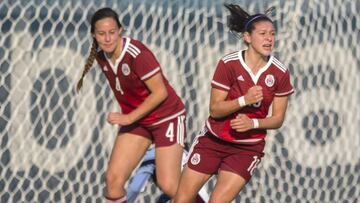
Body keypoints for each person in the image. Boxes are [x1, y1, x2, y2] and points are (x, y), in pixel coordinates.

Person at [173, 3, 294, 203]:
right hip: (213, 141)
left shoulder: (280, 72)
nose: (269, 38)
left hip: (246, 148)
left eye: (272, 34)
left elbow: (278, 119)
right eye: (262, 33)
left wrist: (253, 123)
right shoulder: (229, 64)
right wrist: (244, 100)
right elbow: (215, 109)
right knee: (181, 200)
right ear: (247, 37)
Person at [76, 7, 186, 203]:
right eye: (101, 33)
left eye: (112, 32)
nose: (108, 38)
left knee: (168, 184)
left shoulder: (137, 53)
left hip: (167, 118)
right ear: (94, 35)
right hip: (139, 121)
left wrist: (127, 118)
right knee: (113, 180)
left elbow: (160, 93)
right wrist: (131, 117)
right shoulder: (102, 58)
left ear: (120, 30)